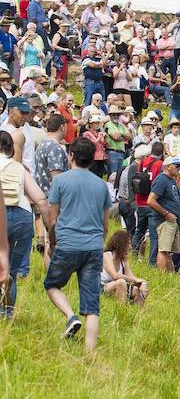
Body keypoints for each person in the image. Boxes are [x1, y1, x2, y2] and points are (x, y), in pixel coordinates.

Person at [43, 138, 112, 350]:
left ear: (70, 155)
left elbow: (53, 220)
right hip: (93, 246)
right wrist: (98, 244)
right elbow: (106, 224)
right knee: (92, 305)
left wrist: (52, 242)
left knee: (52, 284)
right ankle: (90, 354)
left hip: (67, 242)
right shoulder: (102, 185)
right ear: (92, 160)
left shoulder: (60, 181)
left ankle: (71, 316)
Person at [0, 130, 51, 320]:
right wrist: (49, 229)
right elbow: (41, 201)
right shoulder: (19, 168)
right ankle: (7, 314)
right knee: (11, 271)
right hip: (22, 216)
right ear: (11, 149)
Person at [148, 155, 180, 272]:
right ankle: (161, 277)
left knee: (168, 251)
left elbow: (177, 199)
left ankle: (169, 277)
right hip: (164, 221)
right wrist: (166, 214)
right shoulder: (161, 179)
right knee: (163, 250)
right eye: (176, 166)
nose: (179, 168)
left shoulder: (171, 180)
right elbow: (151, 200)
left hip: (172, 220)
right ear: (168, 167)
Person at [101, 229, 148, 303]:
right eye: (128, 244)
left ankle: (140, 313)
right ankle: (122, 310)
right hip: (103, 288)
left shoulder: (123, 261)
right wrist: (135, 281)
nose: (130, 247)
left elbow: (132, 278)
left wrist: (143, 283)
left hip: (118, 287)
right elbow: (115, 276)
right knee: (121, 282)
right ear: (120, 244)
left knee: (137, 290)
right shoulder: (106, 255)